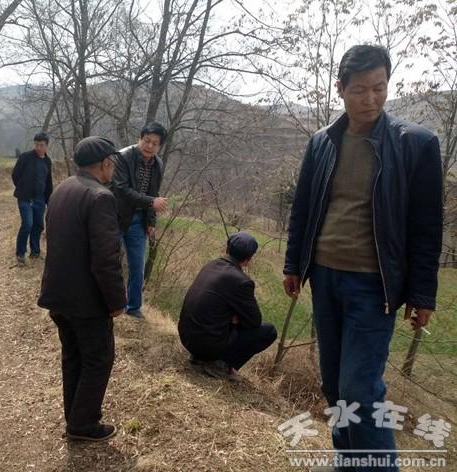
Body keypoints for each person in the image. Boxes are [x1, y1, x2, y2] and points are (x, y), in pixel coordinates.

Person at [283, 45, 443, 472]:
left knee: (358, 387)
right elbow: (303, 207)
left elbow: (427, 228)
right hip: (326, 276)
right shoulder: (322, 142)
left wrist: (423, 293)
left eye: (379, 87)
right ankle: (349, 462)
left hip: (375, 285)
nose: (370, 99)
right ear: (340, 90)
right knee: (335, 385)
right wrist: (293, 264)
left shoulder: (416, 145)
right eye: (359, 90)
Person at [38, 136, 126, 441]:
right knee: (98, 359)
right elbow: (106, 259)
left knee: (73, 357)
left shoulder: (63, 188)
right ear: (104, 163)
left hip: (58, 295)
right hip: (87, 301)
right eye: (112, 162)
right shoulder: (100, 197)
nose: (112, 167)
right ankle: (83, 424)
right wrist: (116, 300)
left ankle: (74, 417)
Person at [178, 232, 277, 381]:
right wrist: (234, 318)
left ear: (227, 249)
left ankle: (200, 358)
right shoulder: (241, 281)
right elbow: (254, 321)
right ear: (248, 259)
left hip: (187, 337)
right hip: (206, 344)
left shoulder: (209, 266)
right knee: (269, 331)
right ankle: (221, 365)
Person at [112, 122, 169, 319]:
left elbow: (154, 193)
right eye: (147, 141)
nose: (150, 146)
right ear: (140, 138)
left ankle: (133, 307)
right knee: (109, 261)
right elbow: (121, 188)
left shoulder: (158, 164)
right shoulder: (124, 156)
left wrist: (151, 222)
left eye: (155, 143)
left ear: (159, 146)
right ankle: (107, 302)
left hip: (139, 220)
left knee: (137, 265)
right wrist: (152, 201)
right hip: (116, 216)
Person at [12, 131, 53, 264]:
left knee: (38, 225)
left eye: (41, 145)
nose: (38, 148)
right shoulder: (26, 157)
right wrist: (23, 188)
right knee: (27, 224)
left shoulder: (47, 161)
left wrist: (49, 199)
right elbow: (15, 175)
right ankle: (20, 253)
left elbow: (48, 182)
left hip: (40, 198)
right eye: (36, 145)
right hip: (26, 198)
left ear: (46, 146)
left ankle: (35, 252)